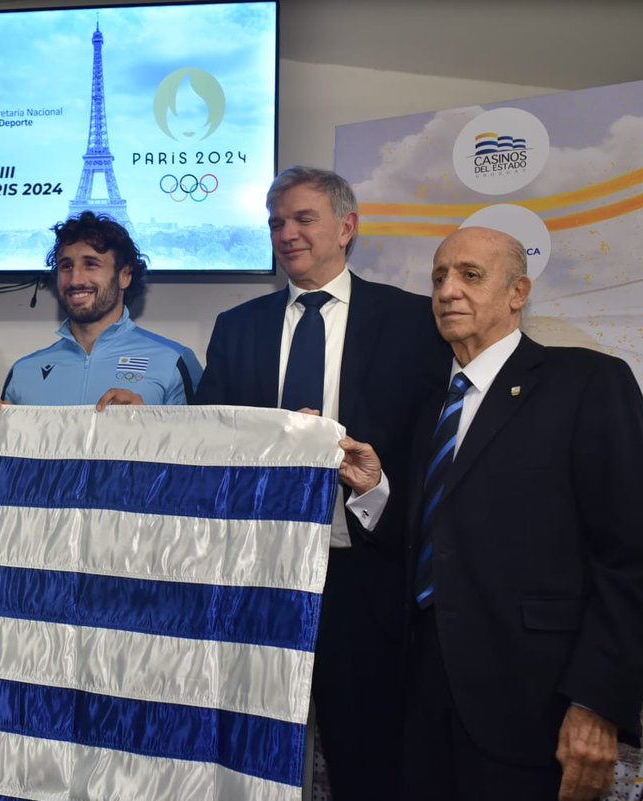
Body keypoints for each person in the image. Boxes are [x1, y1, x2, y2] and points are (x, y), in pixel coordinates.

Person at [194, 167, 449, 800]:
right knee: (243, 756)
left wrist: (372, 491)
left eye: (303, 219)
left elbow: (431, 456)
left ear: (346, 226)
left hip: (365, 576)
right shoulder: (238, 326)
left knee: (366, 759)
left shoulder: (415, 323)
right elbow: (208, 441)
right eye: (277, 222)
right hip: (256, 579)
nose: (286, 233)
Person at [394, 226, 643, 800]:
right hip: (419, 702)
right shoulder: (427, 405)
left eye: (470, 275)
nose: (448, 291)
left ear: (517, 292)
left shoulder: (589, 382)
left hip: (532, 708)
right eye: (439, 277)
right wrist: (374, 490)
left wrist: (594, 705)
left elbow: (632, 561)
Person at [0, 211, 201, 410]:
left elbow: (203, 455)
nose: (75, 279)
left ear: (125, 275)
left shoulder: (174, 361)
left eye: (91, 264)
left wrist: (149, 423)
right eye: (66, 266)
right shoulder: (24, 370)